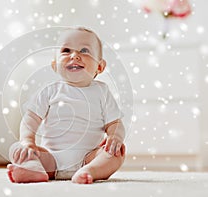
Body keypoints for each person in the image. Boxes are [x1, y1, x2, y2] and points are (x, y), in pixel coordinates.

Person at [7, 27, 126, 184]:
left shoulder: (102, 92)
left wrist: (115, 137)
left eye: (84, 51)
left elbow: (115, 123)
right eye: (66, 50)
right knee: (17, 149)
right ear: (55, 65)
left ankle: (90, 171)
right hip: (51, 158)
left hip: (89, 158)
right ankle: (34, 168)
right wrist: (27, 142)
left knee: (117, 153)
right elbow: (30, 120)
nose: (75, 56)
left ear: (100, 66)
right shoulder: (49, 91)